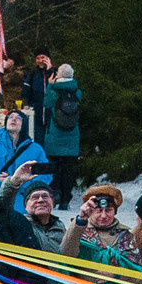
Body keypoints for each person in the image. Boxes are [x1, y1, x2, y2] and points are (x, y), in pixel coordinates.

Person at [38, 63, 83, 202]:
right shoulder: (77, 91)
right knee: (68, 170)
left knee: (54, 168)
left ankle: (55, 195)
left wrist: (50, 84)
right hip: (72, 136)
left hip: (55, 135)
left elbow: (46, 103)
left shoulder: (54, 90)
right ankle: (65, 199)